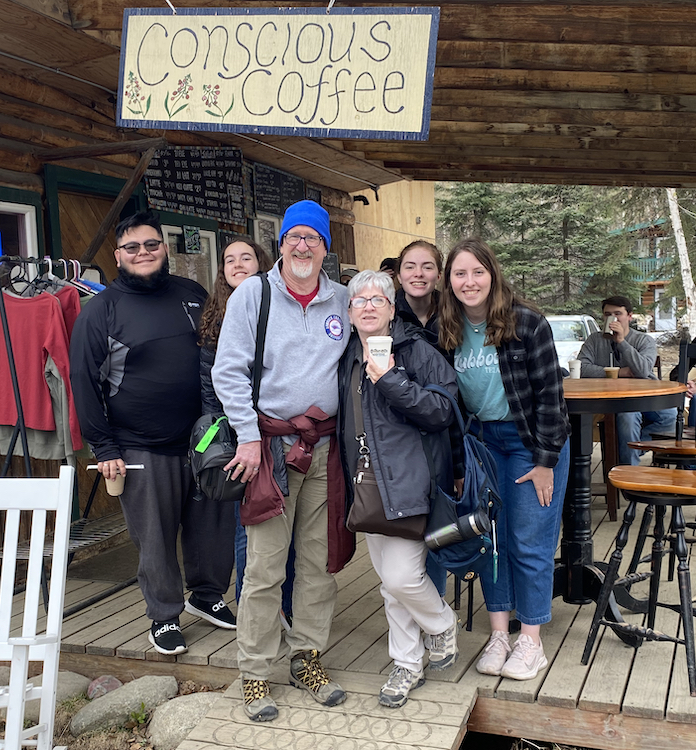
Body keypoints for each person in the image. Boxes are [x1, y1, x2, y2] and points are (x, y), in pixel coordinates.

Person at [69, 212, 236, 657]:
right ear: (118, 255)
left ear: (164, 248)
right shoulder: (100, 311)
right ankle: (163, 616)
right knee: (155, 537)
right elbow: (83, 381)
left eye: (151, 244)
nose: (143, 253)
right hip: (140, 444)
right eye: (132, 247)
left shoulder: (193, 294)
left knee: (212, 528)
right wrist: (103, 446)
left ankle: (206, 595)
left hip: (203, 440)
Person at [212, 200, 352, 721]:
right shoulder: (254, 294)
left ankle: (307, 656)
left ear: (325, 247)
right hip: (269, 450)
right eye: (293, 236)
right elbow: (227, 371)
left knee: (318, 563)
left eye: (311, 238)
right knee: (266, 565)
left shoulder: (342, 299)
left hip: (324, 449)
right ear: (282, 245)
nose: (301, 246)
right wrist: (248, 437)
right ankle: (255, 672)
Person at [437, 238, 570, 681]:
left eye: (477, 271)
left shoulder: (526, 321)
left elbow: (553, 396)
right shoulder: (449, 326)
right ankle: (499, 633)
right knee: (492, 539)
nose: (469, 281)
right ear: (449, 282)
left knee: (529, 541)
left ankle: (530, 640)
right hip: (484, 445)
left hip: (530, 443)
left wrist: (547, 460)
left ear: (492, 274)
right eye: (460, 273)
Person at [337, 270, 459, 708]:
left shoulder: (418, 353)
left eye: (378, 299)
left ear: (392, 310)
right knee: (390, 586)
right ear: (349, 313)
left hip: (411, 484)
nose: (368, 306)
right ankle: (407, 664)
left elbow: (443, 410)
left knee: (402, 577)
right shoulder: (346, 356)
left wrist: (390, 378)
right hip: (367, 486)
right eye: (359, 300)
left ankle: (442, 624)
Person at [197, 237, 294, 626]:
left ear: (262, 263)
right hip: (241, 438)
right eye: (228, 260)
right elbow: (210, 385)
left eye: (246, 258)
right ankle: (252, 611)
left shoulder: (277, 306)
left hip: (282, 432)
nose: (237, 265)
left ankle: (284, 605)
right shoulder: (215, 320)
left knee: (284, 525)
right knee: (249, 526)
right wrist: (232, 435)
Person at [577, 295, 677, 465]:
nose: (613, 318)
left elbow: (644, 370)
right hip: (607, 400)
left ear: (629, 316)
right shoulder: (594, 340)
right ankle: (629, 469)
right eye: (608, 314)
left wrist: (622, 342)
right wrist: (620, 372)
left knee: (670, 416)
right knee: (628, 417)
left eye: (618, 314)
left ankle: (625, 449)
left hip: (642, 397)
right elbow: (582, 368)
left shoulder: (643, 340)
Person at [395, 240, 442, 349]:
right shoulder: (387, 314)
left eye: (427, 267)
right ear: (399, 277)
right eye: (410, 267)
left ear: (439, 276)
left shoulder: (455, 312)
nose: (418, 274)